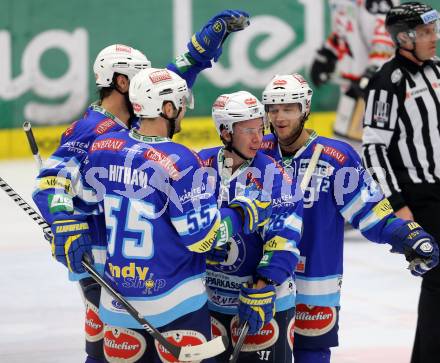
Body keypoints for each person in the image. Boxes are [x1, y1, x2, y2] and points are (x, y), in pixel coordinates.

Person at [32, 10, 250, 363]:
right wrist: (61, 219)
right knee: (106, 351)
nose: (144, 82)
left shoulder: (134, 122)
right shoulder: (91, 130)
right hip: (102, 263)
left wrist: (198, 53)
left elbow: (170, 82)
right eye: (137, 78)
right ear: (121, 83)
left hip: (139, 267)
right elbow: (49, 182)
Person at [259, 72, 439, 363]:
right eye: (273, 109)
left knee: (312, 356)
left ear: (305, 109)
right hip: (264, 282)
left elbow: (372, 214)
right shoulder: (258, 153)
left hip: (316, 283)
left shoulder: (336, 159)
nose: (280, 117)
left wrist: (409, 234)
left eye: (288, 108)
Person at [198, 91, 303, 362]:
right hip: (210, 301)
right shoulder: (200, 166)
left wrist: (264, 283)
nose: (259, 138)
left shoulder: (274, 176)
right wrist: (201, 250)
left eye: (261, 128)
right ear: (225, 132)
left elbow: (285, 238)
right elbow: (186, 226)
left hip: (263, 299)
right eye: (248, 131)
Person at [361, 3, 440, 362]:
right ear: (404, 38)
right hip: (422, 198)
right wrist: (397, 204)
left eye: (433, 30)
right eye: (425, 32)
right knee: (438, 281)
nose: (434, 37)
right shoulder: (388, 82)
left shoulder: (438, 71)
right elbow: (374, 149)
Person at [310, 0, 398, 142]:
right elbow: (342, 28)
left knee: (369, 144)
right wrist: (328, 52)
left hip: (374, 87)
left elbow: (386, 36)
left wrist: (374, 71)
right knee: (343, 142)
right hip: (352, 86)